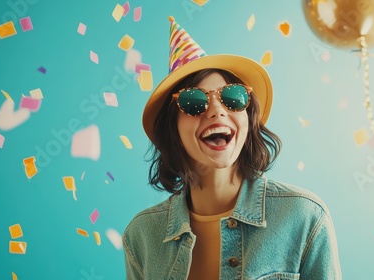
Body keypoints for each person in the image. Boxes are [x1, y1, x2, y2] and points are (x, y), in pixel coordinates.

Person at [123, 16, 342, 280]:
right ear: (173, 129)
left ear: (248, 117)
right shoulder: (141, 235)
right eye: (193, 101)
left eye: (233, 98)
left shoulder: (305, 217)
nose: (217, 111)